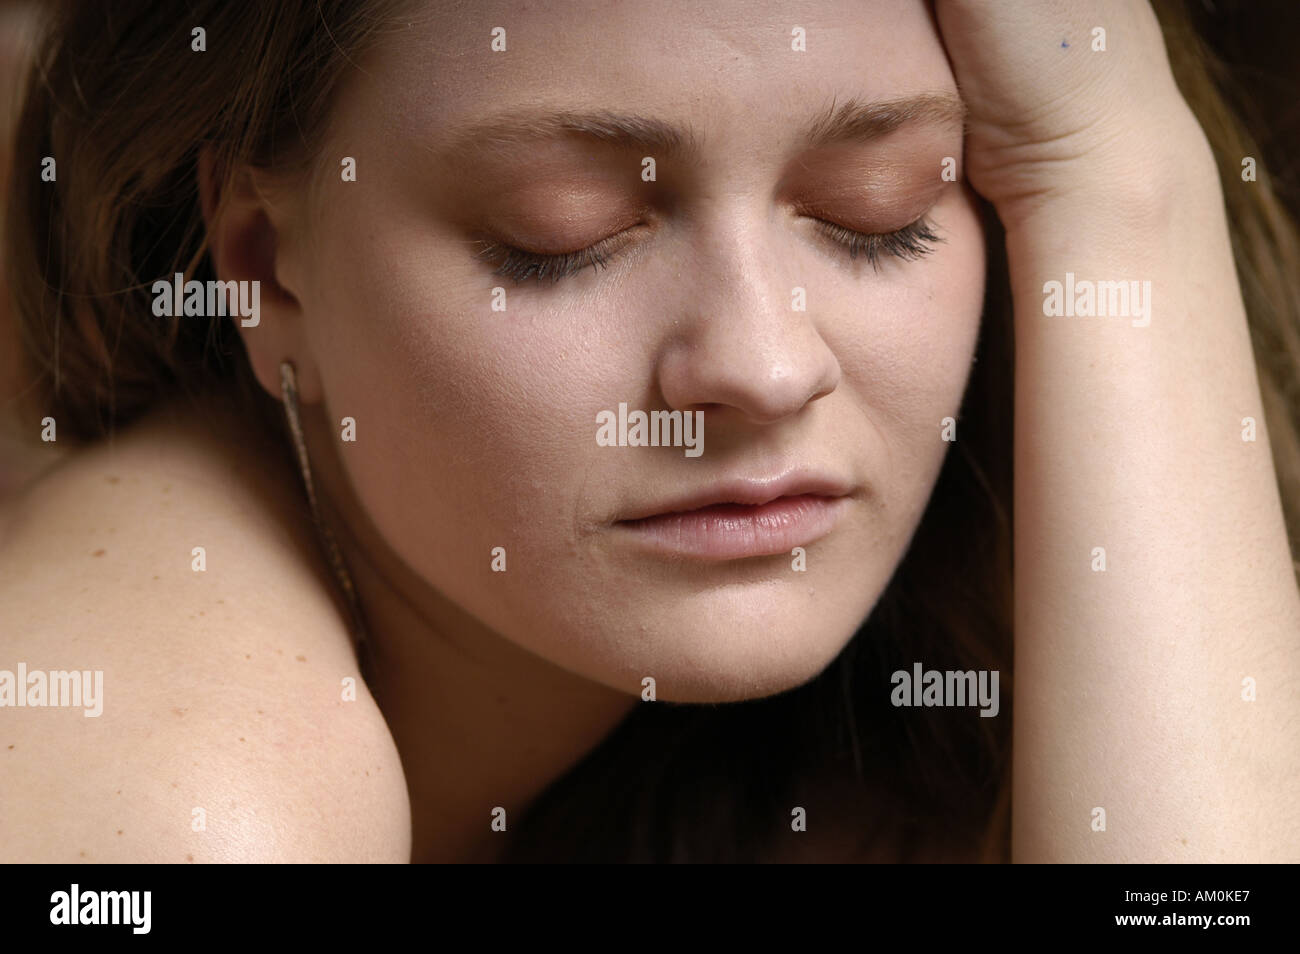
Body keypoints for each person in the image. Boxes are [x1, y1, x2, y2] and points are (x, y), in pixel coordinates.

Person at [2, 0, 1298, 863]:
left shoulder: (836, 718)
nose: (763, 362)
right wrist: (1119, 176)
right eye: (560, 231)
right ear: (269, 271)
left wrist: (1103, 166)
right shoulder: (177, 790)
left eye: (879, 208)